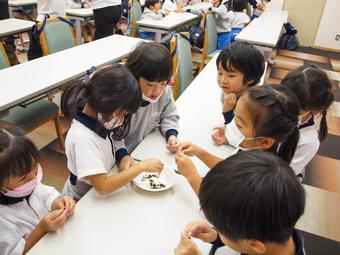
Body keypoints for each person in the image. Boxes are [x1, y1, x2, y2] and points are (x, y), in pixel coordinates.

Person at [61, 64, 164, 201]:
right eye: (123, 113)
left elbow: (112, 143)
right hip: (81, 200)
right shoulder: (82, 138)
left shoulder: (100, 120)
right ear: (105, 101)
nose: (121, 120)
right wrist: (140, 167)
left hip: (99, 192)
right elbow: (103, 186)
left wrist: (123, 156)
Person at [175, 150, 306, 255]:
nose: (219, 231)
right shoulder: (275, 225)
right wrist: (215, 236)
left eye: (223, 231)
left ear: (254, 244)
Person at [176, 84, 300, 194]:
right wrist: (200, 152)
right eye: (235, 117)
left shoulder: (258, 179)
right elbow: (228, 169)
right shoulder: (250, 149)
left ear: (265, 142)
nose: (232, 126)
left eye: (239, 124)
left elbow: (216, 207)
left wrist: (191, 176)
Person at [0, 128, 76, 255]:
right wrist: (41, 230)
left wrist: (59, 202)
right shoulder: (3, 219)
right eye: (23, 177)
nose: (33, 177)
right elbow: (16, 252)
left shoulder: (27, 184)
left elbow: (46, 195)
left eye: (35, 166)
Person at [114, 42, 180, 168]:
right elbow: (113, 135)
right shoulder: (123, 99)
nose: (157, 91)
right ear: (134, 76)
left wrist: (171, 135)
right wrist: (122, 155)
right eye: (150, 84)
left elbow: (169, 115)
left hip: (143, 151)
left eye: (163, 83)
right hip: (118, 158)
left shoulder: (164, 92)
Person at [281, 65, 334, 179]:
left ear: (317, 110)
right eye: (282, 99)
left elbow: (283, 175)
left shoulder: (308, 141)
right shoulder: (275, 111)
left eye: (293, 107)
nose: (283, 108)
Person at [210, 41, 264, 145]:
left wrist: (227, 111)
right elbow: (234, 126)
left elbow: (247, 137)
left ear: (250, 79)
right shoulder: (228, 92)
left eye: (231, 76)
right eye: (220, 73)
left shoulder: (253, 102)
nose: (222, 80)